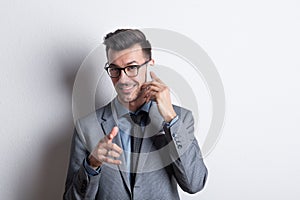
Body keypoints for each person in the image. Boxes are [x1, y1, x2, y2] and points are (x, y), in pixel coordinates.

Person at [63, 29, 208, 200]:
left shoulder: (180, 119)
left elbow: (195, 184)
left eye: (131, 67)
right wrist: (92, 164)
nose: (123, 79)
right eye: (115, 69)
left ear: (149, 63)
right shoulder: (86, 127)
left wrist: (170, 117)